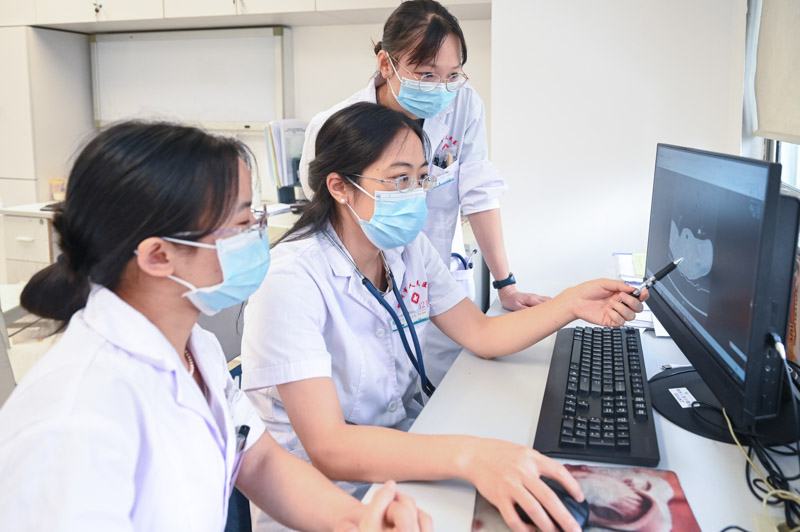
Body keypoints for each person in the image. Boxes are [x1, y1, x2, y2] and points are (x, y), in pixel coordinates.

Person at [0, 121, 430, 532]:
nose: (258, 234)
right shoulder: (76, 417)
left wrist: (357, 520)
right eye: (242, 224)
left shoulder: (194, 346)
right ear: (158, 256)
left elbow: (259, 462)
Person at [242, 102, 647, 532]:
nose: (416, 194)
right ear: (340, 187)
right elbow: (331, 447)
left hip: (403, 462)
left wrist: (570, 303)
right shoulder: (290, 279)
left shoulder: (405, 248)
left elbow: (481, 333)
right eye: (400, 179)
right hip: (328, 500)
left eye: (421, 178)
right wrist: (472, 456)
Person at [298, 0, 549, 384]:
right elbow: (329, 217)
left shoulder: (463, 103)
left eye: (453, 74)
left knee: (435, 392)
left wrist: (506, 285)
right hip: (358, 284)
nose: (441, 88)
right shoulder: (335, 126)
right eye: (426, 74)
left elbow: (478, 193)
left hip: (432, 274)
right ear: (386, 64)